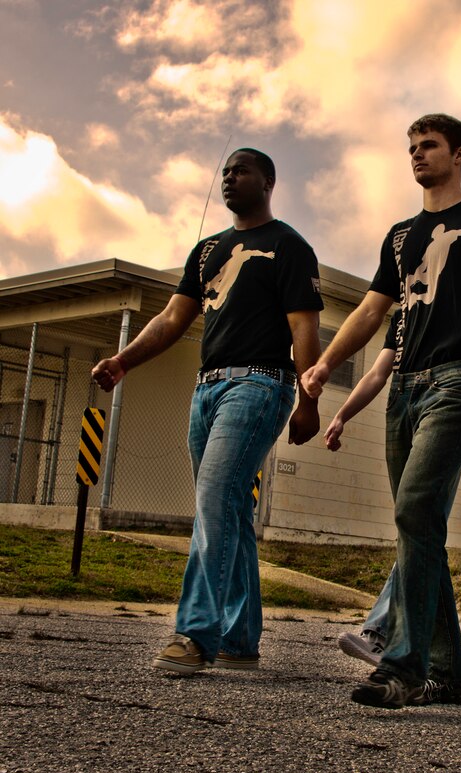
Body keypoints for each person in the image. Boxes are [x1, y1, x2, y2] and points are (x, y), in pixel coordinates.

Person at [301, 114, 461, 709]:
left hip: (457, 381)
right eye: (411, 147)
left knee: (415, 509)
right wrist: (326, 364)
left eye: (429, 146)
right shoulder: (400, 235)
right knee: (419, 527)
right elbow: (372, 311)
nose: (417, 155)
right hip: (403, 386)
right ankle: (449, 676)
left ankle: (401, 665)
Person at [90, 148, 323, 673]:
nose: (229, 178)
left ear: (268, 180)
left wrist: (309, 401)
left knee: (215, 499)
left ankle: (195, 635)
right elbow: (173, 319)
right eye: (225, 171)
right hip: (207, 389)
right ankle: (239, 640)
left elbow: (303, 328)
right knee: (231, 512)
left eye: (240, 170)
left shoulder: (288, 246)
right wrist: (124, 361)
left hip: (261, 384)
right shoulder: (206, 250)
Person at [331, 310, 461, 667]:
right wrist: (341, 415)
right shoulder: (403, 317)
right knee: (417, 532)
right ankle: (443, 666)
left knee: (416, 523)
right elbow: (379, 372)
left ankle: (383, 635)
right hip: (406, 410)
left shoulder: (458, 305)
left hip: (450, 413)